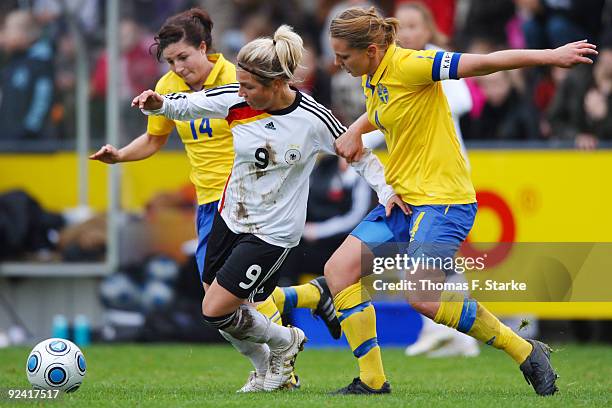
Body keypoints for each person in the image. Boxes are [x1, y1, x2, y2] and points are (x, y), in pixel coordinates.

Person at [326, 6, 596, 395]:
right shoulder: (373, 75)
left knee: (422, 296)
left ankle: (525, 350)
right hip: (404, 200)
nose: (337, 63)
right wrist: (356, 128)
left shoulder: (414, 64)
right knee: (339, 271)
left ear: (370, 49)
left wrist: (550, 55)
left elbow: (485, 63)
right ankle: (372, 381)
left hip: (443, 201)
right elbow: (384, 107)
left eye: (343, 56)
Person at [132, 24, 406, 392]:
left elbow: (360, 156)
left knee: (214, 309)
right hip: (231, 218)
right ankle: (269, 370)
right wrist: (160, 104)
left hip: (272, 234)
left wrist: (387, 191)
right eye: (240, 85)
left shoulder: (312, 118)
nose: (241, 93)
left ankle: (284, 342)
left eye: (249, 87)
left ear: (277, 84)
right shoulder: (236, 100)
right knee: (221, 307)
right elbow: (192, 105)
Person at [89, 9, 337, 392]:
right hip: (211, 206)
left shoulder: (240, 79)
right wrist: (119, 155)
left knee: (229, 302)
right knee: (220, 305)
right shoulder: (167, 86)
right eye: (171, 61)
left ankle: (279, 357)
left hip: (252, 203)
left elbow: (286, 125)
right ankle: (274, 354)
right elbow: (155, 140)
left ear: (204, 47)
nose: (178, 67)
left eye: (184, 57)